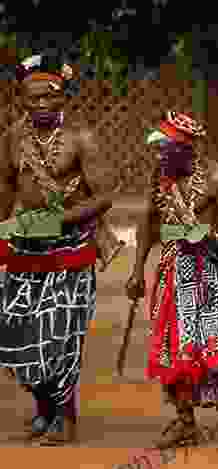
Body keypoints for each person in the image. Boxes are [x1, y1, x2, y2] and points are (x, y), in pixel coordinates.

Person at [125, 111, 218, 451]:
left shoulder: (215, 177)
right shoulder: (159, 178)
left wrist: (216, 237)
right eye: (156, 151)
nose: (158, 157)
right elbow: (148, 224)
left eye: (165, 149)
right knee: (172, 349)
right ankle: (185, 421)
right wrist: (137, 270)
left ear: (187, 149)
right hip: (173, 271)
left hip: (211, 273)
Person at [0, 52, 116, 445]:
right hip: (24, 248)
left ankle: (65, 415)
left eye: (48, 97)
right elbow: (5, 189)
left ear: (63, 97)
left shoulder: (82, 138)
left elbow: (103, 197)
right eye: (31, 99)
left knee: (61, 334)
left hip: (71, 248)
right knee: (19, 334)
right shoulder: (13, 138)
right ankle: (44, 407)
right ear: (22, 100)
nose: (40, 105)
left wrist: (59, 221)